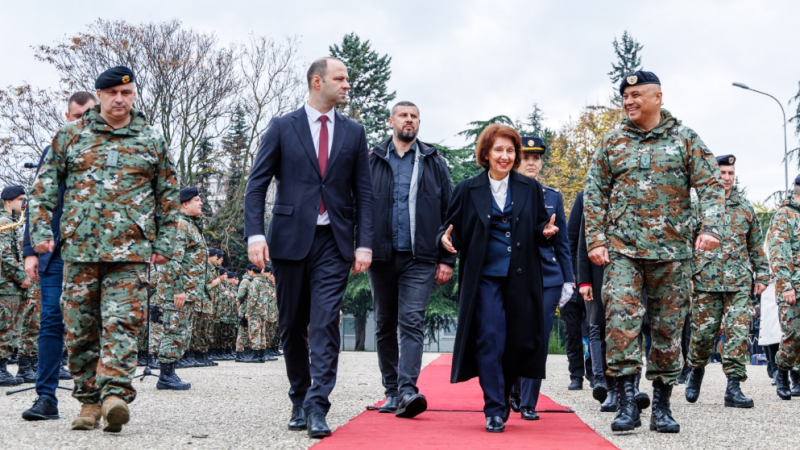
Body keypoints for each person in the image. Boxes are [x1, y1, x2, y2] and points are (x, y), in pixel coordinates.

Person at [28, 66, 180, 432]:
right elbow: (43, 186)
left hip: (130, 253)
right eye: (112, 93)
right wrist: (40, 232)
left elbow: (168, 195)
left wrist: (164, 243)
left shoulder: (151, 139)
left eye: (126, 93)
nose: (119, 99)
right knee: (79, 329)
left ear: (133, 95)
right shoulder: (71, 135)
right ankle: (88, 401)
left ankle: (114, 396)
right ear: (99, 96)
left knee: (121, 323)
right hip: (79, 250)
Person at [584, 70, 725, 433]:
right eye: (625, 97)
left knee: (668, 330)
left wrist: (711, 228)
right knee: (620, 323)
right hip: (623, 252)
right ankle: (627, 403)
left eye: (636, 95)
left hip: (672, 252)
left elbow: (711, 185)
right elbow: (594, 191)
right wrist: (596, 240)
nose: (629, 101)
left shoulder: (685, 139)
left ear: (658, 97)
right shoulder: (612, 141)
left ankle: (661, 406)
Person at [244, 57, 373, 439]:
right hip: (288, 240)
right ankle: (299, 396)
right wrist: (255, 235)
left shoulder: (354, 132)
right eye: (340, 78)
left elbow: (364, 193)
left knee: (325, 321)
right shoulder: (282, 127)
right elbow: (257, 184)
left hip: (334, 241)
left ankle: (318, 405)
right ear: (318, 82)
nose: (347, 84)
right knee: (291, 324)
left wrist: (364, 244)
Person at [438, 124, 559, 433]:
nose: (505, 156)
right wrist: (445, 240)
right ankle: (493, 408)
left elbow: (539, 228)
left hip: (521, 278)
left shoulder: (529, 188)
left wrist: (546, 233)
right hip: (485, 278)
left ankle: (503, 397)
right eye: (498, 150)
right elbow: (452, 229)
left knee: (515, 341)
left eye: (510, 150)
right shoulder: (467, 189)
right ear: (486, 154)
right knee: (490, 339)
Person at [367, 101, 454, 418]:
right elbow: (358, 206)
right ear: (391, 121)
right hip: (380, 257)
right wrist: (359, 248)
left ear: (419, 123)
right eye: (403, 115)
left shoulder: (434, 162)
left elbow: (450, 213)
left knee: (412, 322)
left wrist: (446, 259)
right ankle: (391, 391)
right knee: (384, 324)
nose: (409, 120)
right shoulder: (372, 160)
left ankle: (407, 391)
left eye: (414, 116)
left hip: (420, 258)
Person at [21, 91, 97, 421]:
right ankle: (46, 397)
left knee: (96, 323)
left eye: (90, 114)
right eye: (78, 115)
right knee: (52, 321)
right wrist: (30, 251)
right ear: (68, 117)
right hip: (56, 253)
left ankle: (96, 399)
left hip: (95, 253)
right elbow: (38, 200)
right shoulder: (55, 149)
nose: (84, 120)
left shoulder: (112, 149)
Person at [685, 155, 769, 407]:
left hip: (739, 282)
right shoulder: (700, 206)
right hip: (705, 281)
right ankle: (695, 370)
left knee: (738, 334)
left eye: (731, 173)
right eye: (722, 173)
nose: (727, 178)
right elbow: (685, 243)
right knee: (702, 337)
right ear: (714, 174)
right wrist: (687, 276)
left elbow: (756, 245)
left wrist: (761, 275)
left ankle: (733, 387)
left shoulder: (745, 207)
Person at [511, 136, 574, 421]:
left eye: (536, 158)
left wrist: (568, 279)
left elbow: (563, 243)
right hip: (513, 276)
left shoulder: (553, 196)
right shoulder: (504, 193)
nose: (531, 163)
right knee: (512, 336)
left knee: (539, 339)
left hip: (547, 277)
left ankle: (528, 402)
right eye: (526, 157)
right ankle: (512, 388)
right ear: (516, 161)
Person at [156, 187, 208, 391]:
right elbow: (171, 260)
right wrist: (178, 289)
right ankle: (165, 376)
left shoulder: (190, 225)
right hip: (178, 292)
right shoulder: (179, 225)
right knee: (174, 331)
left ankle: (170, 372)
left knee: (181, 333)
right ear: (185, 203)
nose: (201, 203)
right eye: (197, 200)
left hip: (188, 292)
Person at [766, 175, 800, 400]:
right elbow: (779, 253)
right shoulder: (784, 215)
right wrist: (787, 286)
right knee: (794, 334)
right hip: (793, 286)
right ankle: (782, 372)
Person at [0, 185, 31, 387]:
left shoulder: (13, 222)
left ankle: (2, 367)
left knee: (12, 329)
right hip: (6, 285)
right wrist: (22, 277)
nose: (24, 203)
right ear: (8, 201)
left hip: (13, 287)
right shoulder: (4, 222)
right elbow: (5, 256)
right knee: (4, 327)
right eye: (21, 199)